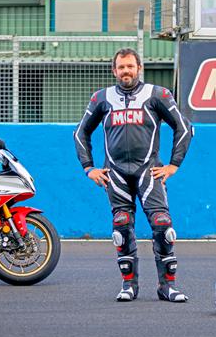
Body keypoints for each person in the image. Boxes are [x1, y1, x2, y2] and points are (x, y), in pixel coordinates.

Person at [74, 48, 193, 302]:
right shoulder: (101, 98)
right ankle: (128, 286)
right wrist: (89, 168)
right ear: (114, 70)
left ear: (139, 68)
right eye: (121, 67)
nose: (126, 71)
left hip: (149, 170)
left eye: (130, 66)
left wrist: (173, 165)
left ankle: (167, 286)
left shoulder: (157, 94)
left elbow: (184, 128)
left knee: (162, 224)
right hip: (115, 173)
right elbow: (80, 133)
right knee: (121, 225)